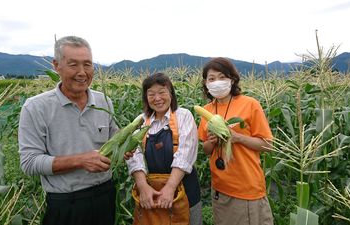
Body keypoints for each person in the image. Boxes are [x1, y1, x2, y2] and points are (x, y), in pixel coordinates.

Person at [18, 36, 118, 225]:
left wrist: (124, 149)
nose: (82, 72)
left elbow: (114, 137)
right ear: (56, 66)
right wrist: (81, 160)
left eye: (87, 65)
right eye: (73, 65)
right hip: (65, 204)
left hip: (105, 196)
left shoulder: (104, 101)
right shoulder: (36, 107)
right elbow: (29, 162)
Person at [197, 57, 274, 225]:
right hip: (220, 189)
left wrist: (237, 138)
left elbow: (268, 145)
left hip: (247, 188)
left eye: (222, 77)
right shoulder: (207, 111)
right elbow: (206, 149)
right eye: (211, 79)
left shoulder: (249, 104)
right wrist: (212, 141)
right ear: (206, 83)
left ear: (232, 80)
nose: (217, 82)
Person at [125, 72, 202, 225]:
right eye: (151, 94)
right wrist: (143, 187)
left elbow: (185, 154)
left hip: (183, 190)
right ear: (146, 98)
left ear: (171, 94)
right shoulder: (140, 122)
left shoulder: (183, 116)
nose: (157, 98)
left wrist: (170, 187)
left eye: (162, 92)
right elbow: (135, 156)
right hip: (151, 193)